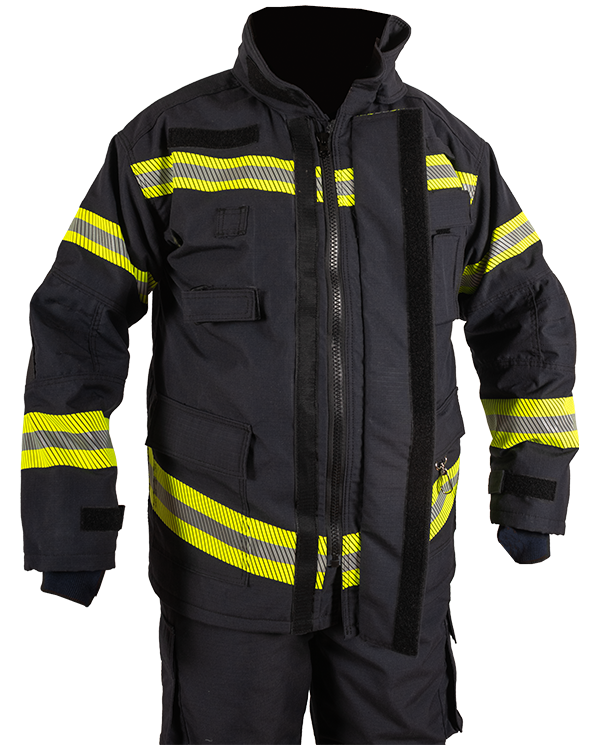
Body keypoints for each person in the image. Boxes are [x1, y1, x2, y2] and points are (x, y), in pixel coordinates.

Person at [20, 6, 578, 744]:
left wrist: (532, 487)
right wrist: (71, 527)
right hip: (225, 573)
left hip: (399, 572)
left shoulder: (448, 153)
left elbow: (526, 318)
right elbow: (76, 326)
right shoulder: (170, 141)